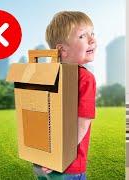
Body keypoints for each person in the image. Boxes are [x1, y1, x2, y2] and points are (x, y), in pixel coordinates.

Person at [33, 11, 96, 180]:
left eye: (93, 33)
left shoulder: (46, 75)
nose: (92, 40)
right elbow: (82, 124)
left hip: (42, 161)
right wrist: (56, 156)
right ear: (62, 50)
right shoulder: (85, 78)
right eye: (83, 36)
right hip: (67, 164)